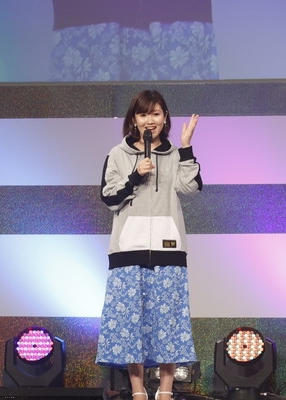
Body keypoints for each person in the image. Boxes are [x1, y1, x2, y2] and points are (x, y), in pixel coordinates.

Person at [96, 89, 202, 400]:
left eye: (155, 114)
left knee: (169, 322)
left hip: (169, 250)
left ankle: (166, 390)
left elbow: (191, 187)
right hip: (128, 251)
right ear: (134, 119)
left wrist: (187, 148)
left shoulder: (175, 154)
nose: (149, 120)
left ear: (165, 118)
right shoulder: (117, 154)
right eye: (143, 114)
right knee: (132, 323)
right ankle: (138, 389)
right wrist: (134, 176)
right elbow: (109, 198)